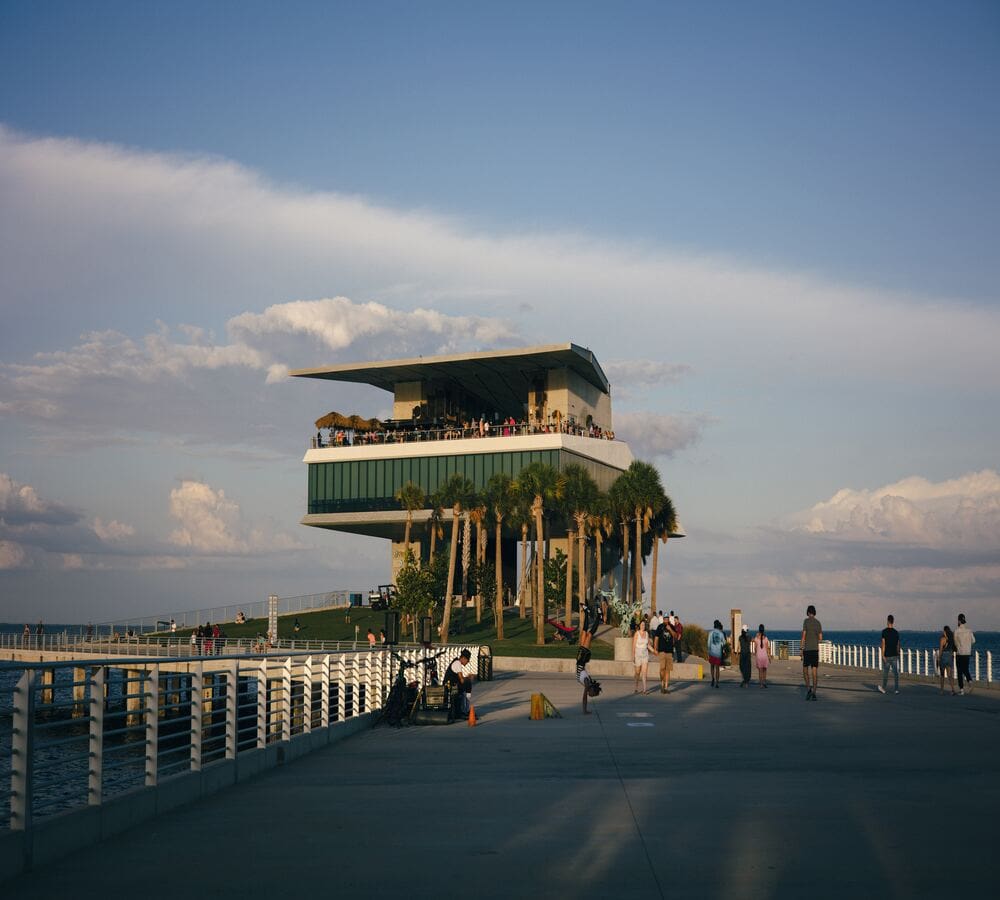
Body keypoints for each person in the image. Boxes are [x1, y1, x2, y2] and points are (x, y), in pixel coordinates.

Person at [801, 605, 823, 701]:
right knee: (814, 672)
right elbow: (820, 638)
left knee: (805, 671)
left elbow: (803, 637)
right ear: (814, 612)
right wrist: (815, 639)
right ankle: (814, 693)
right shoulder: (818, 623)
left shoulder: (806, 621)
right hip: (815, 650)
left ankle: (808, 689)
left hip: (807, 650)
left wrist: (801, 649)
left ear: (808, 612)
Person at [444, 648, 474, 717]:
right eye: (467, 660)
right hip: (450, 686)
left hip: (453, 684)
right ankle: (465, 709)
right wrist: (468, 678)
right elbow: (461, 680)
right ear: (463, 658)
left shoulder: (456, 662)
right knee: (468, 683)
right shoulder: (457, 663)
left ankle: (465, 708)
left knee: (466, 685)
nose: (467, 662)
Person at [878, 614, 902, 695]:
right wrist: (898, 653)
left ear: (888, 621)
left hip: (887, 656)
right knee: (896, 673)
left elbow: (883, 644)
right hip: (894, 655)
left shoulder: (884, 632)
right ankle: (896, 689)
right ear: (893, 621)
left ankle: (884, 688)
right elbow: (898, 644)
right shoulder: (896, 632)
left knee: (886, 673)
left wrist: (882, 655)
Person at [654, 614, 677, 693]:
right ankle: (662, 683)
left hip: (669, 651)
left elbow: (675, 636)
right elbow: (656, 638)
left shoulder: (672, 627)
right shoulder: (660, 627)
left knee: (668, 670)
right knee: (662, 669)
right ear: (663, 619)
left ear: (669, 619)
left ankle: (666, 688)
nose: (666, 620)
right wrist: (655, 649)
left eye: (667, 619)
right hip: (662, 651)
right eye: (665, 619)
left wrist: (670, 629)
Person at [954, 614, 976, 695]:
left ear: (959, 621)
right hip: (967, 653)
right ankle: (970, 681)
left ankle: (962, 690)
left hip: (960, 653)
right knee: (966, 669)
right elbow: (973, 641)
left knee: (959, 671)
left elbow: (955, 643)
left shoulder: (957, 631)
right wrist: (967, 644)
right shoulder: (969, 631)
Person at [576, 646, 602, 714]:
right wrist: (585, 711)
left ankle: (582, 648)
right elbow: (584, 698)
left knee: (587, 653)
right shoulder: (587, 684)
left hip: (581, 665)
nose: (590, 696)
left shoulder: (588, 684)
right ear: (592, 689)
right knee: (587, 653)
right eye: (592, 694)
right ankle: (582, 646)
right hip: (581, 665)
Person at [632, 617, 651, 694]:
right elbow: (633, 646)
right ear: (639, 626)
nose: (643, 626)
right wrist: (633, 657)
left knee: (644, 673)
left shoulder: (647, 634)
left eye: (644, 625)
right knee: (637, 673)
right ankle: (636, 687)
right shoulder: (637, 633)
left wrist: (654, 651)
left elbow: (648, 645)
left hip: (645, 655)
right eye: (641, 625)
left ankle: (644, 690)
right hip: (638, 655)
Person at [939, 625, 957, 696]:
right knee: (950, 675)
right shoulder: (951, 639)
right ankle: (953, 690)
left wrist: (939, 657)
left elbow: (940, 649)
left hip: (943, 656)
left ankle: (942, 690)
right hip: (950, 656)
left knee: (942, 674)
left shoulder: (942, 639)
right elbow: (953, 648)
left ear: (944, 631)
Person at [707, 620, 726, 688]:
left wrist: (708, 652)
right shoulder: (721, 633)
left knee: (712, 666)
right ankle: (717, 683)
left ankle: (712, 678)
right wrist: (721, 645)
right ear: (718, 626)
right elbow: (724, 643)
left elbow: (708, 644)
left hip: (712, 652)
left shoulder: (710, 633)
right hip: (718, 653)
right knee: (717, 668)